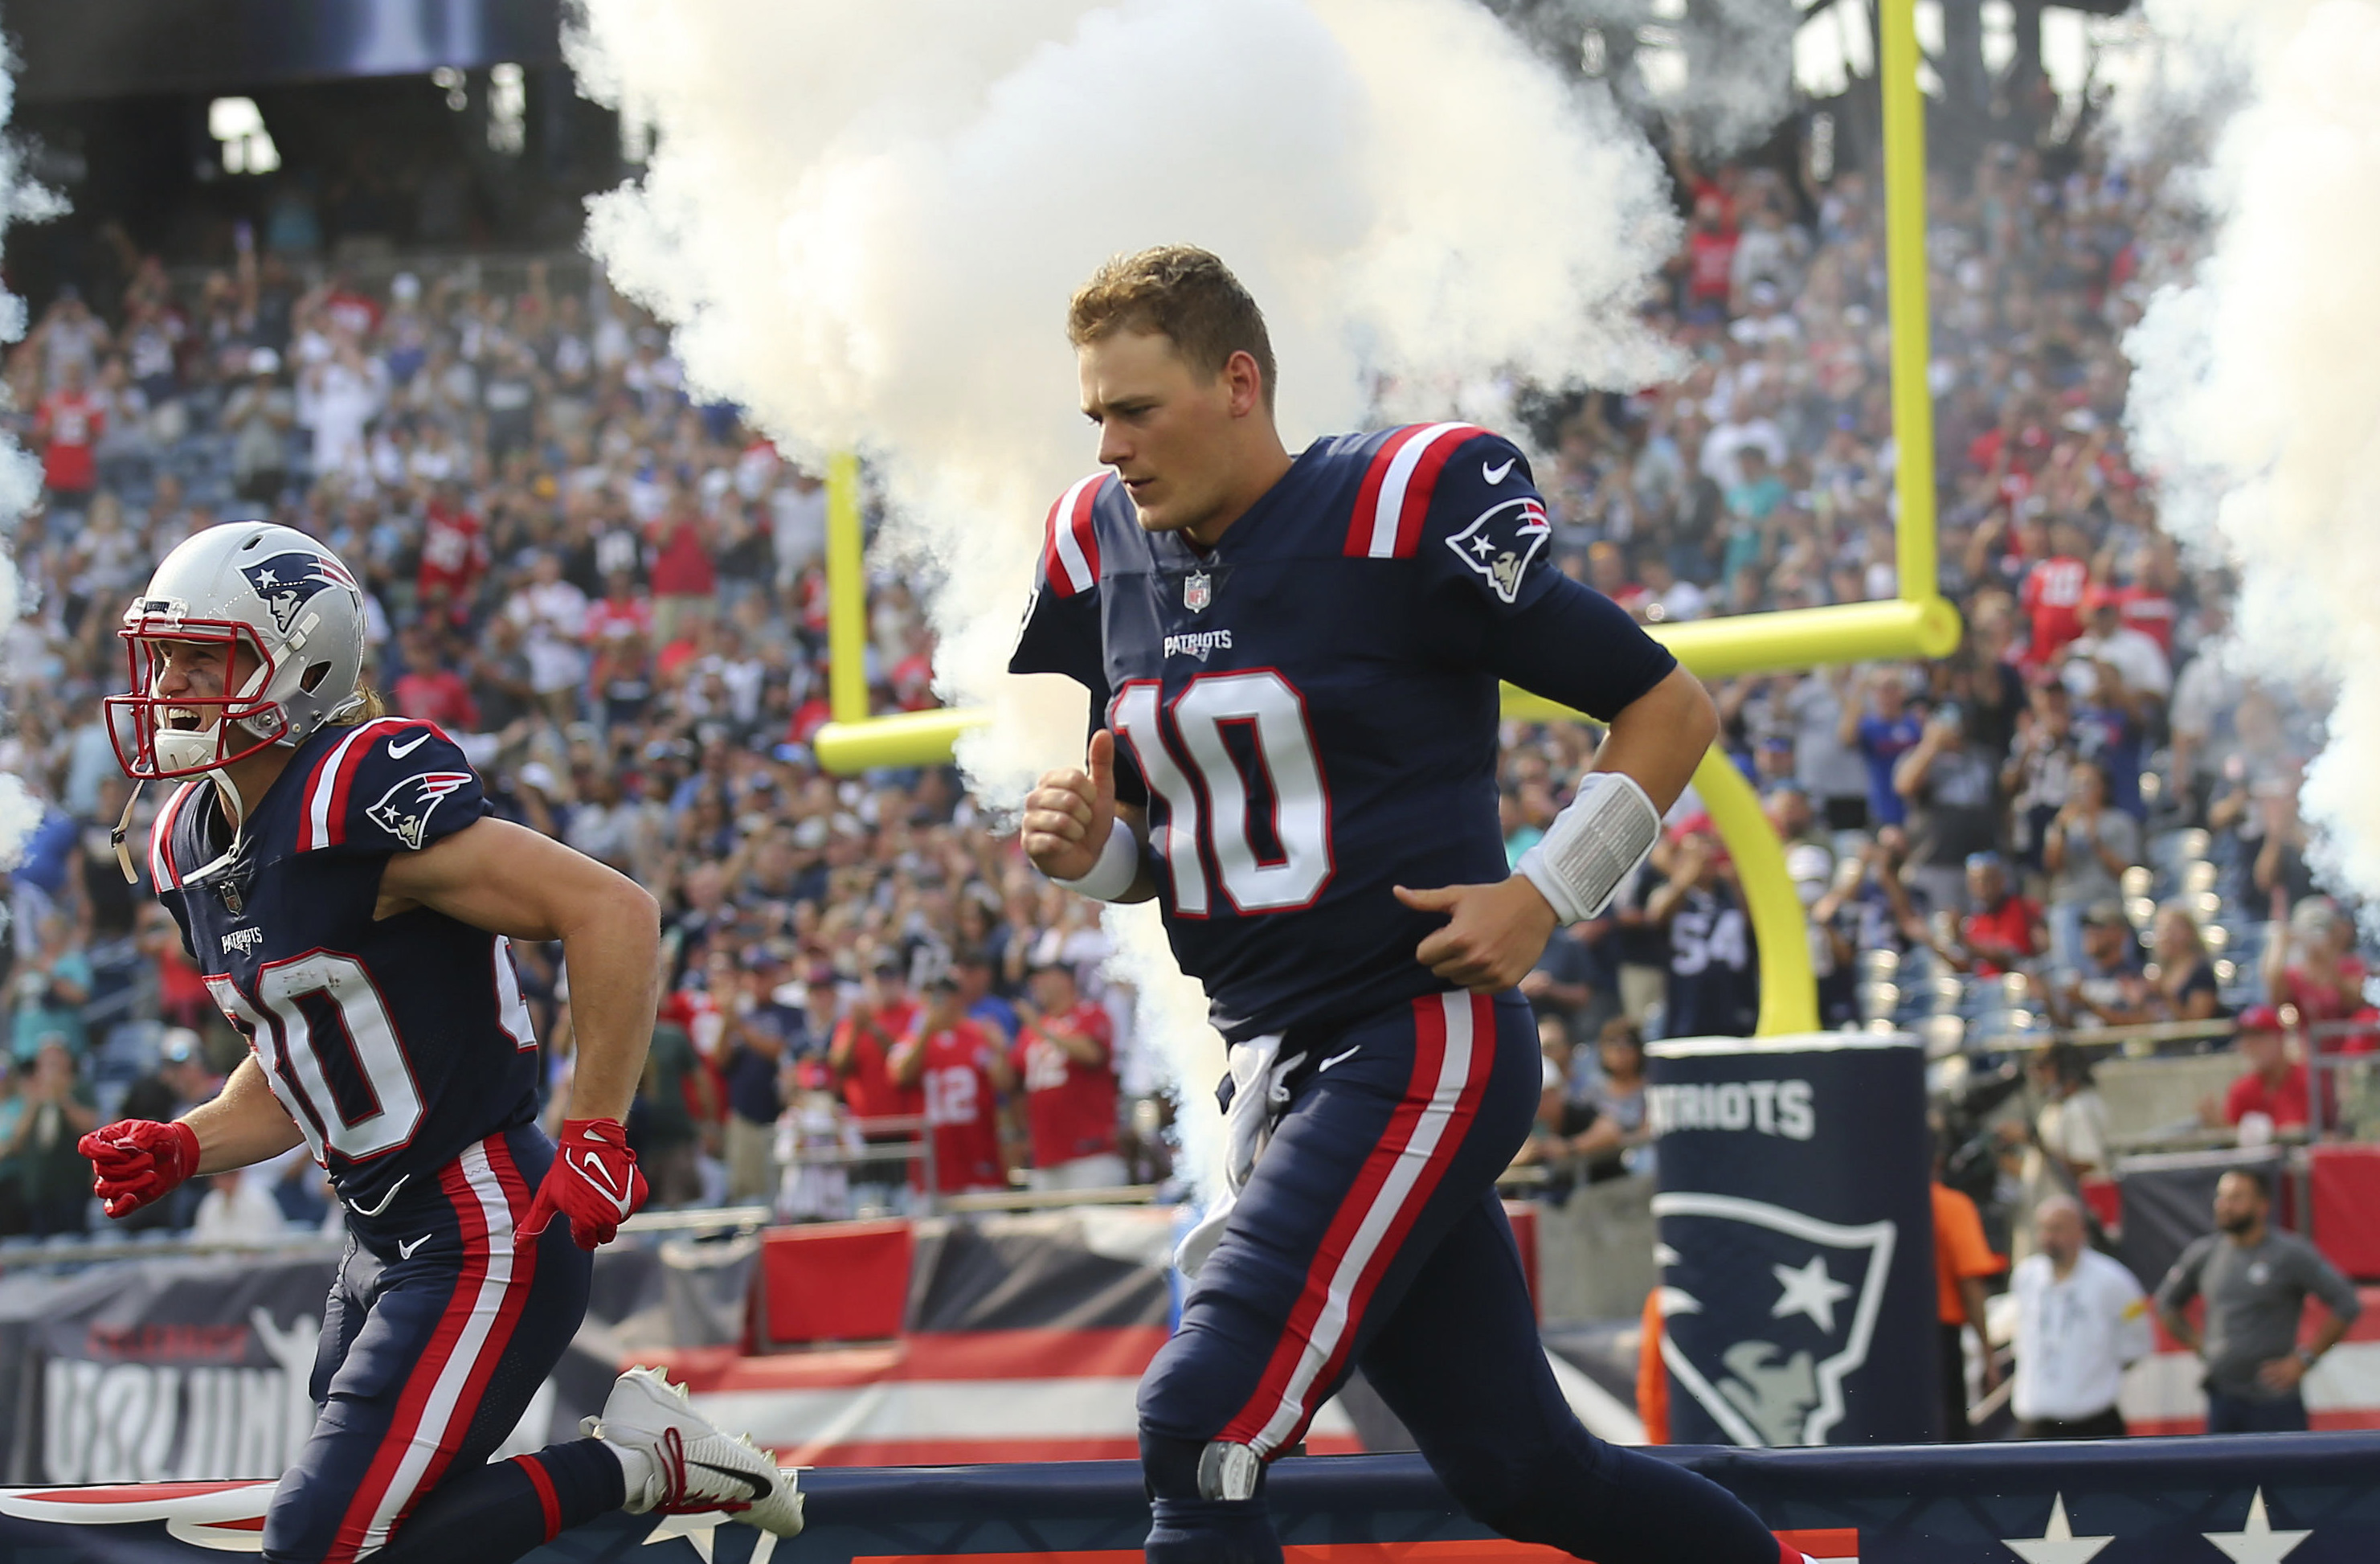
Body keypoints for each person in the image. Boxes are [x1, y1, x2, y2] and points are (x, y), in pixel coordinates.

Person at [1013, 248, 1796, 1564]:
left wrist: (1543, 893)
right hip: (1275, 1060)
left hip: (1410, 1034)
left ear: (1238, 383)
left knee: (1201, 1418)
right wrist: (1098, 852)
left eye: (1136, 408)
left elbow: (1667, 707)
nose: (1112, 445)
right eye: (1095, 412)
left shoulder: (1395, 507)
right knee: (1526, 1471)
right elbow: (1190, 854)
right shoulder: (1101, 548)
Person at [80, 522, 799, 1563]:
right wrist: (190, 1142)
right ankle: (641, 1457)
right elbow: (306, 1066)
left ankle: (641, 1461)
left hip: (484, 1221)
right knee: (380, 1545)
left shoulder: (353, 786)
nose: (176, 679)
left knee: (317, 1543)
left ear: (300, 660)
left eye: (209, 652)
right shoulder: (184, 836)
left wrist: (593, 1124)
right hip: (376, 1242)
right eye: (168, 652)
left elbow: (612, 912)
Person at [2155, 1169, 2362, 1434]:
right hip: (2223, 1395)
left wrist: (2305, 1359)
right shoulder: (2204, 1254)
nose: (2225, 1205)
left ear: (2263, 1205)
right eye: (2222, 1197)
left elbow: (2347, 1302)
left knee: (2283, 1474)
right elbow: (2166, 1304)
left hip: (2274, 1400)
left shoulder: (2289, 1254)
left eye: (2237, 1197)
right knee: (2224, 1474)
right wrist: (2201, 1345)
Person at [2010, 1196, 2153, 1439]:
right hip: (2035, 1424)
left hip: (2092, 1423)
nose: (2048, 1238)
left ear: (2080, 1231)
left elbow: (2135, 1345)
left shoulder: (2114, 1280)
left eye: (2057, 1229)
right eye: (2043, 1229)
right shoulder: (2026, 1277)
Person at [889, 967, 1012, 1197]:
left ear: (957, 999)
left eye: (940, 996)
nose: (934, 1003)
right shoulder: (912, 1041)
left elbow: (1004, 1085)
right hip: (934, 1161)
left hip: (977, 1154)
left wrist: (1000, 1051)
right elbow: (902, 1076)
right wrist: (925, 1033)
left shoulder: (979, 1034)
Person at [1013, 956, 1127, 1190]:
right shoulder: (1032, 1029)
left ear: (1065, 980)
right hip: (1046, 1155)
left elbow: (1092, 1054)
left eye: (1043, 976)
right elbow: (1014, 1083)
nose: (1036, 983)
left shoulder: (1089, 1014)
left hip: (1089, 1152)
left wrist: (1040, 1029)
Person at [1932, 1152, 2006, 1440]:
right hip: (1938, 1340)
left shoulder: (1873, 1204)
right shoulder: (1951, 1206)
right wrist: (1989, 1357)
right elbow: (1971, 1285)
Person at [2206, 1005, 2310, 1134]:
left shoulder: (2308, 1080)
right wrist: (2222, 1127)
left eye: (2258, 1036)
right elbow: (2234, 1142)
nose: (2249, 1045)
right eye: (2245, 1037)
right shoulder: (2242, 1090)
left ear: (2279, 1038)